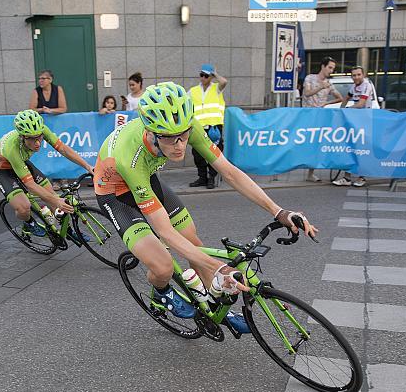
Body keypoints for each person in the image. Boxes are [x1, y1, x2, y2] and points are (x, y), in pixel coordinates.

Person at [94, 82, 317, 333]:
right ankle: (161, 292)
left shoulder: (188, 126)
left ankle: (214, 306)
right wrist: (219, 268)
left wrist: (279, 211)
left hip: (147, 179)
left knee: (193, 243)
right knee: (163, 265)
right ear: (151, 133)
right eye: (169, 138)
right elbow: (166, 232)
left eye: (184, 135)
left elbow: (230, 173)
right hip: (116, 192)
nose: (180, 145)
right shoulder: (129, 157)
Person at [0, 109, 93, 238]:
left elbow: (64, 150)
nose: (37, 143)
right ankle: (29, 223)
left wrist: (88, 166)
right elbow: (31, 186)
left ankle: (68, 231)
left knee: (51, 196)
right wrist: (56, 200)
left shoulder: (41, 130)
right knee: (24, 207)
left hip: (21, 163)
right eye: (32, 139)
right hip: (3, 170)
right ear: (22, 137)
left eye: (39, 137)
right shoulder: (12, 148)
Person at [302, 57, 342, 182]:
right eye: (330, 67)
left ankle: (310, 173)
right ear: (323, 66)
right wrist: (321, 87)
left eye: (333, 69)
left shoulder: (329, 84)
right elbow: (307, 93)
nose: (331, 70)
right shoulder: (310, 78)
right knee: (304, 143)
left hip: (320, 118)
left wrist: (326, 103)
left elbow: (340, 97)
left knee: (316, 145)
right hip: (307, 116)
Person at [188, 64, 228, 190]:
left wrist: (215, 74)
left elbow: (224, 81)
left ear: (211, 77)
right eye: (201, 75)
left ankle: (211, 177)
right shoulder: (193, 90)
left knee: (213, 153)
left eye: (206, 76)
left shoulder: (217, 88)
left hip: (214, 127)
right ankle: (202, 178)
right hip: (198, 127)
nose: (203, 78)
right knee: (197, 153)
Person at [334, 66, 372, 188]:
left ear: (363, 75)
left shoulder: (367, 85)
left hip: (365, 122)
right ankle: (347, 178)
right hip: (355, 121)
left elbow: (361, 104)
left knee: (361, 150)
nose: (356, 77)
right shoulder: (354, 86)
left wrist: (347, 110)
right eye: (354, 75)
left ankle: (362, 177)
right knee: (350, 148)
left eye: (358, 75)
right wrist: (340, 111)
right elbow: (346, 98)